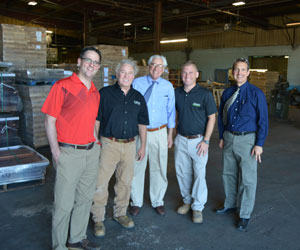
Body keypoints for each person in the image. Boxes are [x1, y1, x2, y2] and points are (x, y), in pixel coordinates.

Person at [42, 47, 102, 250]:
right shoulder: (63, 86)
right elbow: (49, 121)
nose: (91, 65)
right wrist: (55, 151)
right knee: (64, 204)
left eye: (95, 62)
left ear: (98, 67)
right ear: (79, 62)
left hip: (91, 152)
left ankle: (76, 239)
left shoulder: (95, 92)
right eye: (88, 60)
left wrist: (96, 142)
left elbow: (92, 120)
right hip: (69, 153)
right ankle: (59, 246)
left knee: (85, 199)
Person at [91, 59, 149, 237]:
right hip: (109, 143)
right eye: (123, 72)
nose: (126, 76)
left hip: (130, 145)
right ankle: (98, 219)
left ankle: (120, 214)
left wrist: (142, 146)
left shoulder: (138, 97)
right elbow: (96, 119)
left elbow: (142, 124)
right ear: (117, 74)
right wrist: (95, 141)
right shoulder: (105, 93)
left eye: (129, 73)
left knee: (125, 183)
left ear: (134, 76)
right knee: (100, 183)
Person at [216, 58, 268, 231]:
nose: (239, 72)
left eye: (243, 69)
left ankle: (244, 214)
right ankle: (230, 204)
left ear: (248, 72)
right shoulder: (227, 93)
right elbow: (221, 116)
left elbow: (263, 121)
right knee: (228, 174)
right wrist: (222, 136)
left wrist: (259, 144)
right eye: (236, 69)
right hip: (229, 137)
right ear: (233, 72)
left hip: (248, 141)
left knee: (248, 179)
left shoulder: (256, 93)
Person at [130, 55, 176, 216]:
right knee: (137, 167)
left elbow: (171, 112)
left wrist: (170, 134)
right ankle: (136, 201)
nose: (156, 69)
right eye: (154, 65)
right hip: (140, 133)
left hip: (160, 132)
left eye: (160, 66)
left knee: (159, 167)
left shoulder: (168, 86)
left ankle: (158, 201)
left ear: (164, 69)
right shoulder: (137, 83)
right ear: (149, 66)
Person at [174, 61, 217, 223]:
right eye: (184, 73)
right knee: (182, 172)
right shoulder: (176, 92)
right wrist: (174, 134)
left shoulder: (205, 94)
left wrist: (206, 140)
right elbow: (176, 113)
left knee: (199, 174)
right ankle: (187, 201)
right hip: (181, 139)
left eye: (191, 72)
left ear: (197, 75)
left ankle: (198, 207)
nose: (187, 76)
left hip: (198, 141)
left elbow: (212, 118)